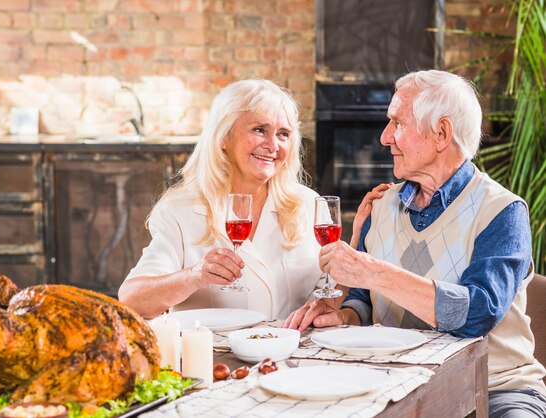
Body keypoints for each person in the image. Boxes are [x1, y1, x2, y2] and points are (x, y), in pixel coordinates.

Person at [285, 69, 546, 416]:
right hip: (396, 385)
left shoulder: (502, 211)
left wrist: (374, 272)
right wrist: (344, 316)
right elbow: (364, 302)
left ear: (441, 133)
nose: (384, 137)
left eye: (398, 123)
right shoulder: (379, 206)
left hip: (494, 387)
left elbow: (478, 312)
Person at [119, 79, 345, 320]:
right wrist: (195, 276)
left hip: (292, 354)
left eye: (283, 134)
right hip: (215, 356)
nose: (272, 145)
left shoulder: (307, 203)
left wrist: (329, 302)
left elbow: (332, 290)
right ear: (224, 138)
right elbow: (132, 300)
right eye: (259, 129)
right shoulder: (181, 210)